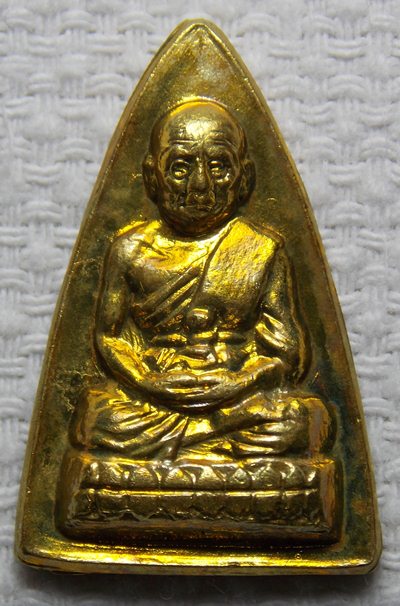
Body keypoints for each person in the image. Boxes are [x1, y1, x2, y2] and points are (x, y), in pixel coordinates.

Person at [71, 99, 333, 461]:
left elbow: (288, 354)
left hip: (236, 394)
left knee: (305, 420)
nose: (200, 185)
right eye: (180, 168)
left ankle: (187, 443)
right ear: (152, 177)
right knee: (95, 418)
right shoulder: (129, 250)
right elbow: (108, 337)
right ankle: (208, 441)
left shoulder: (259, 248)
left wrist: (238, 382)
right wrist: (148, 382)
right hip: (156, 394)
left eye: (219, 167)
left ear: (244, 178)